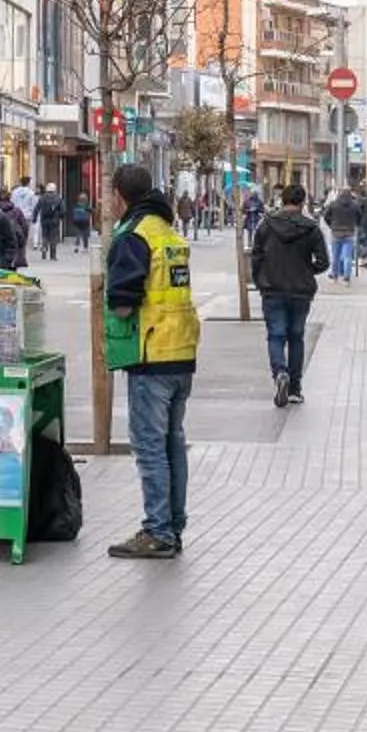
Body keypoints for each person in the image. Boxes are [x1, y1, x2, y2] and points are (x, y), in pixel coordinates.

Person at [104, 163, 202, 560]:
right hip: (181, 351)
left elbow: (124, 304)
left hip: (151, 351)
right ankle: (172, 526)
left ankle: (158, 531)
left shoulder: (133, 236)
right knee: (171, 443)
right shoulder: (168, 233)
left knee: (149, 446)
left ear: (119, 195)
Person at [251, 182, 328, 408]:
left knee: (275, 335)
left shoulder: (266, 225)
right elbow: (324, 262)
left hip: (273, 288)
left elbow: (256, 257)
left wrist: (261, 280)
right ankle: (294, 388)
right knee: (296, 337)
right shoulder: (311, 228)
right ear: (303, 202)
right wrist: (307, 271)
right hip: (300, 291)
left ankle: (280, 373)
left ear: (282, 200)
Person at [321, 184, 366, 284]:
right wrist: (356, 224)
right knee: (347, 256)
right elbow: (359, 217)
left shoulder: (333, 204)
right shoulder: (354, 205)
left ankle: (335, 276)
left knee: (335, 256)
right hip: (349, 233)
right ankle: (346, 277)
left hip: (336, 232)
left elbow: (325, 216)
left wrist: (331, 225)